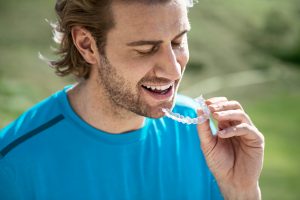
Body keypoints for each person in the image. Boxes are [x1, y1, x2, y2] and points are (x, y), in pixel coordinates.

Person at [0, 0, 264, 199]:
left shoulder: (201, 136)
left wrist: (241, 191)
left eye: (177, 42)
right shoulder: (13, 164)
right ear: (87, 45)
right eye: (145, 49)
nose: (173, 70)